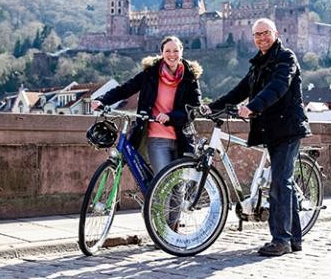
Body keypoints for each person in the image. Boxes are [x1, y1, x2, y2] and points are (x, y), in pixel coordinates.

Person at [204, 18, 311, 256]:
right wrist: (211, 107)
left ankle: (281, 240)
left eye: (265, 33)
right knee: (285, 181)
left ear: (275, 33)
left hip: (289, 127)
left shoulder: (286, 58)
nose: (261, 38)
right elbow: (239, 91)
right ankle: (294, 240)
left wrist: (252, 106)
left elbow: (277, 87)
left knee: (280, 182)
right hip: (271, 129)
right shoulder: (257, 64)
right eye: (257, 35)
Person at [91, 36, 202, 174]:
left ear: (181, 51)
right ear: (161, 52)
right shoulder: (150, 74)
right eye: (167, 51)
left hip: (183, 139)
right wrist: (103, 100)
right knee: (163, 185)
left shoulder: (190, 78)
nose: (171, 55)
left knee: (180, 188)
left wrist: (171, 117)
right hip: (157, 139)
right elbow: (125, 89)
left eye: (175, 50)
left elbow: (194, 109)